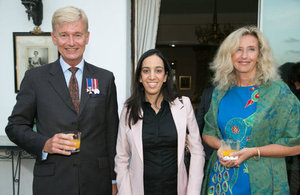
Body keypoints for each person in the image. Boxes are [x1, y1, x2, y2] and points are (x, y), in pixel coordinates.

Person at [6, 6, 119, 195]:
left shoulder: (105, 79)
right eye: (64, 35)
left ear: (87, 37)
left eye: (77, 35)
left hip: (96, 183)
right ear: (54, 38)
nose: (71, 42)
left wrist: (114, 178)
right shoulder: (36, 79)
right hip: (52, 183)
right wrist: (44, 143)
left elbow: (112, 132)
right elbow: (14, 126)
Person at [200, 26, 300, 194]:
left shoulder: (278, 92)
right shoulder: (220, 92)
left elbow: (297, 144)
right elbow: (207, 133)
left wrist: (255, 151)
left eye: (251, 49)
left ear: (259, 56)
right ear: (229, 55)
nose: (244, 56)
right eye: (238, 50)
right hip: (222, 181)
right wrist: (224, 147)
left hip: (264, 184)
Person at [115, 49, 205, 195]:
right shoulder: (129, 110)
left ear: (165, 76)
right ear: (139, 77)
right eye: (146, 71)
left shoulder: (184, 105)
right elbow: (121, 158)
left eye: (158, 70)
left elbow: (197, 152)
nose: (152, 76)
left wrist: (193, 191)